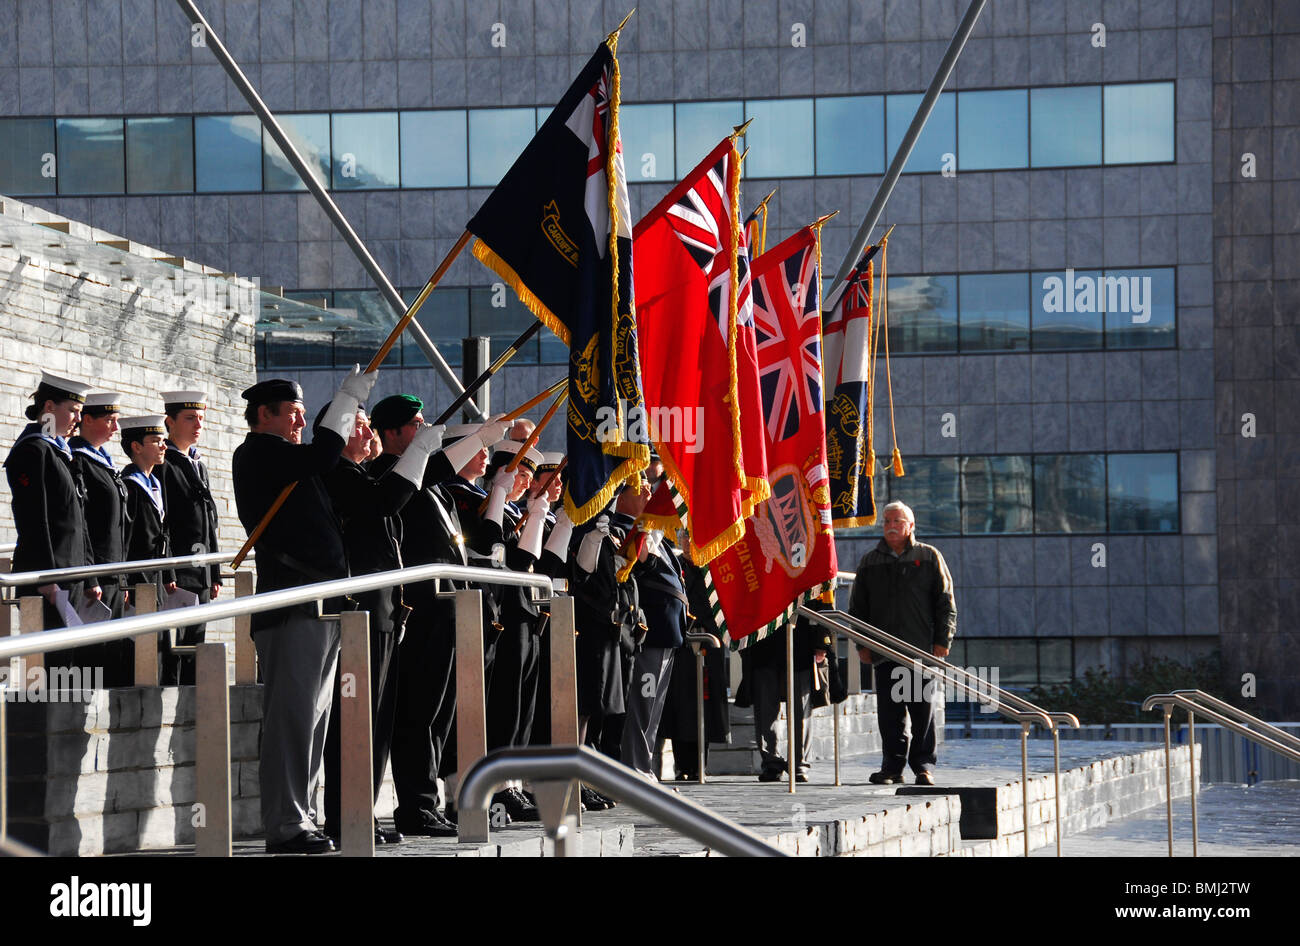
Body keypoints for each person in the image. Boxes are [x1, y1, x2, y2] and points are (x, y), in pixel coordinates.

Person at [232, 369, 378, 855]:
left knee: (313, 721)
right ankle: (286, 824)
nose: (299, 418)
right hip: (293, 604)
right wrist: (346, 398)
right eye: (290, 412)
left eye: (301, 411)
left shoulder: (289, 459)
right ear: (263, 416)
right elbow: (322, 453)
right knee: (292, 721)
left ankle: (303, 816)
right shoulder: (259, 453)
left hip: (321, 604)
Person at [369, 400, 506, 837]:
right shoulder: (389, 473)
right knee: (419, 711)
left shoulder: (432, 484)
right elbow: (421, 476)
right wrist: (477, 440)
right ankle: (417, 804)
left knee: (441, 711)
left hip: (448, 608)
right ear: (390, 434)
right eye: (414, 425)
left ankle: (428, 801)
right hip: (421, 607)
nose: (424, 430)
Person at [317, 399, 442, 847]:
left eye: (371, 425)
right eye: (361, 426)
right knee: (355, 720)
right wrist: (420, 452)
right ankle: (346, 814)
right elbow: (387, 501)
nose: (369, 434)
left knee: (378, 722)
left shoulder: (365, 473)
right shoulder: (338, 474)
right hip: (359, 610)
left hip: (386, 610)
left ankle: (362, 812)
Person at [849, 500, 957, 786]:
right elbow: (857, 609)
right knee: (890, 714)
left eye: (897, 521)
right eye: (886, 521)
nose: (891, 526)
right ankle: (891, 768)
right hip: (884, 652)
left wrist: (942, 640)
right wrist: (862, 644)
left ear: (910, 526)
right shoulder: (871, 561)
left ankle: (923, 767)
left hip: (921, 651)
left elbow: (945, 603)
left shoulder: (929, 557)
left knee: (923, 711)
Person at [4, 372, 101, 653]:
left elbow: (79, 522)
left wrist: (90, 576)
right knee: (49, 670)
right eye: (72, 410)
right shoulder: (33, 450)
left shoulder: (61, 453)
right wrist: (47, 577)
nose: (77, 419)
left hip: (71, 575)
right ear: (48, 408)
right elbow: (35, 520)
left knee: (72, 667)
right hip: (49, 581)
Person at [615, 479, 687, 781]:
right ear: (620, 496)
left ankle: (644, 768)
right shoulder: (623, 530)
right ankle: (635, 769)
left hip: (668, 633)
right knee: (641, 707)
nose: (648, 490)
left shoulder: (654, 534)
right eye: (639, 486)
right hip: (648, 632)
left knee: (653, 709)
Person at [68, 392, 132, 684]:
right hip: (97, 575)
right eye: (110, 420)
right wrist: (90, 577)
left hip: (113, 575)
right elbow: (82, 526)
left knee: (112, 658)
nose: (116, 428)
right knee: (91, 660)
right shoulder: (78, 460)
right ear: (87, 420)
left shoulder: (102, 462)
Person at [158, 390, 221, 686]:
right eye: (190, 418)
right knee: (175, 650)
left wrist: (215, 572)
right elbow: (165, 524)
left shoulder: (198, 464)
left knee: (196, 646)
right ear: (170, 421)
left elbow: (209, 522)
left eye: (201, 418)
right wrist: (169, 569)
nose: (198, 425)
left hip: (202, 572)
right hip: (180, 575)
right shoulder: (165, 464)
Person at [118, 415, 178, 615]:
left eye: (162, 441)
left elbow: (164, 532)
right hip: (138, 575)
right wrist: (123, 579)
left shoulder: (154, 483)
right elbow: (124, 538)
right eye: (155, 441)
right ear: (136, 447)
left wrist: (169, 573)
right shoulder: (130, 485)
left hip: (156, 573)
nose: (164, 446)